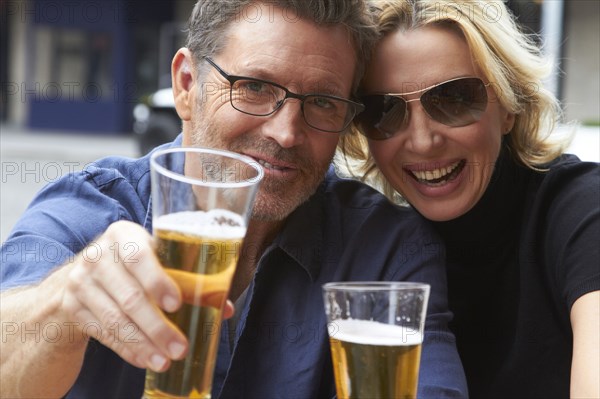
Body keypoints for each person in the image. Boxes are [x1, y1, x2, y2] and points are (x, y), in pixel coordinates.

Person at [0, 1, 468, 398]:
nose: (285, 133)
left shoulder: (382, 245)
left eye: (323, 101)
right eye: (256, 87)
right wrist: (62, 303)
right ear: (186, 85)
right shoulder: (95, 205)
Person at [340, 0, 600, 397]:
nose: (424, 141)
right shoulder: (374, 247)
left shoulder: (581, 210)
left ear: (510, 105)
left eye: (455, 98)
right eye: (384, 110)